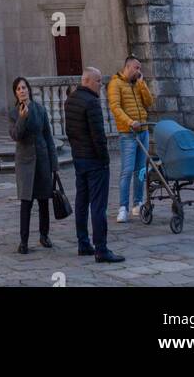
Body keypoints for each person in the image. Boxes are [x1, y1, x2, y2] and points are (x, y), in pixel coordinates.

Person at [64, 66, 124, 263]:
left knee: (82, 203)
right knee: (98, 206)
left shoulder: (70, 100)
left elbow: (70, 132)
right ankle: (101, 249)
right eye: (98, 81)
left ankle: (83, 243)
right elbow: (98, 136)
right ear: (87, 81)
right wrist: (105, 160)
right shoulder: (92, 102)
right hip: (94, 161)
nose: (101, 85)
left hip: (79, 160)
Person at [8, 76, 57, 254]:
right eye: (18, 89)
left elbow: (48, 137)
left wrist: (54, 164)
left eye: (24, 87)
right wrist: (21, 118)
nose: (22, 91)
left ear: (28, 90)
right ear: (15, 93)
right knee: (26, 202)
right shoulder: (13, 113)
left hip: (42, 158)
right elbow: (15, 135)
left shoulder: (40, 109)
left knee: (44, 201)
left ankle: (44, 235)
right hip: (25, 162)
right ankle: (24, 241)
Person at [107, 54, 154, 222]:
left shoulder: (138, 84)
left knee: (141, 170)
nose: (139, 71)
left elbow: (149, 102)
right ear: (127, 67)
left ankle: (138, 203)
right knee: (127, 171)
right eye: (137, 68)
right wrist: (129, 122)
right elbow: (115, 107)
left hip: (143, 130)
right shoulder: (115, 83)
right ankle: (123, 207)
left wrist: (142, 84)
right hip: (128, 133)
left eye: (139, 68)